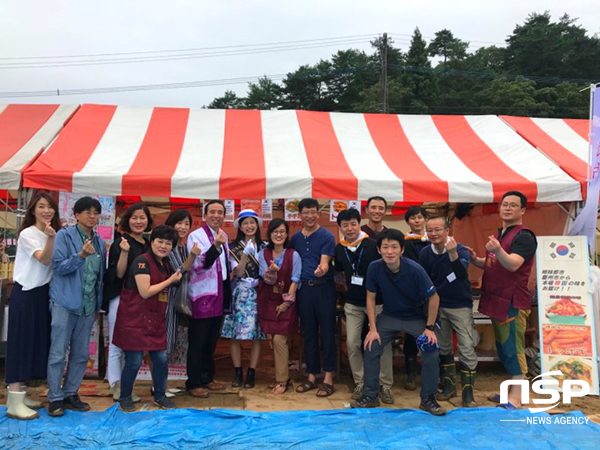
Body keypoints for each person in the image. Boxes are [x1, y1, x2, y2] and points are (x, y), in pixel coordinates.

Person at [352, 229, 446, 416]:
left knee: (431, 350)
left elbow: (434, 298)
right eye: (385, 247)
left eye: (394, 247)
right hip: (389, 316)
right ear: (379, 250)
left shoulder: (415, 269)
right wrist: (372, 328)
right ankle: (371, 395)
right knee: (371, 345)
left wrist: (429, 328)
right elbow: (370, 297)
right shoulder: (374, 267)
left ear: (402, 250)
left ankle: (428, 399)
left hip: (415, 317)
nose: (389, 251)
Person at [468, 191, 537, 410]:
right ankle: (510, 390)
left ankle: (517, 397)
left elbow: (513, 264)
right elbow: (494, 264)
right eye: (504, 204)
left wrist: (497, 250)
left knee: (513, 348)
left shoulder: (524, 236)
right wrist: (475, 259)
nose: (507, 208)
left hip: (512, 301)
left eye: (513, 205)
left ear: (522, 210)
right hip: (497, 299)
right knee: (503, 347)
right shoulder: (501, 232)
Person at [47, 196, 106, 417]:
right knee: (57, 353)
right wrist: (80, 256)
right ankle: (54, 398)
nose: (92, 216)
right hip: (64, 302)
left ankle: (71, 393)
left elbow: (99, 276)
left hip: (88, 305)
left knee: (81, 354)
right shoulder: (64, 236)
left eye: (96, 212)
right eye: (87, 212)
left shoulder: (99, 242)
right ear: (76, 214)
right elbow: (59, 267)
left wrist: (98, 306)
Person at [113, 225, 182, 412]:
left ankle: (160, 395)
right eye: (160, 241)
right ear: (152, 242)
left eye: (168, 243)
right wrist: (170, 280)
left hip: (154, 319)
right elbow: (145, 292)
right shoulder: (141, 262)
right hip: (134, 319)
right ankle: (125, 396)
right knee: (134, 361)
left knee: (160, 359)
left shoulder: (166, 264)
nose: (163, 246)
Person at [5, 193, 61, 420]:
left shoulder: (53, 233)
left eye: (50, 207)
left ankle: (20, 395)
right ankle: (13, 400)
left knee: (34, 342)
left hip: (42, 293)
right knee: (20, 342)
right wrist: (50, 240)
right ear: (32, 210)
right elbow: (44, 259)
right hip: (26, 292)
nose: (46, 211)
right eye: (41, 206)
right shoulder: (28, 234)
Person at [334, 208, 394, 404]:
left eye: (353, 224)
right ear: (340, 228)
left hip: (378, 304)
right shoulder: (340, 248)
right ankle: (360, 381)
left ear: (359, 223)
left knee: (380, 343)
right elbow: (339, 272)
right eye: (345, 225)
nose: (349, 229)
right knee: (352, 342)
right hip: (353, 304)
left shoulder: (372, 245)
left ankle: (385, 385)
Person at [419, 216, 478, 406]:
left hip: (460, 305)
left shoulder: (460, 249)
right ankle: (449, 386)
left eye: (438, 230)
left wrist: (452, 255)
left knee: (466, 346)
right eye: (430, 230)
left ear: (447, 230)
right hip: (438, 306)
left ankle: (468, 394)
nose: (434, 234)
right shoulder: (425, 253)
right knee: (443, 346)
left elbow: (461, 275)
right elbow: (425, 280)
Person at [103, 202, 153, 402]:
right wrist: (124, 252)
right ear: (127, 220)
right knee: (117, 344)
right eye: (134, 217)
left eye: (142, 217)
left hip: (141, 301)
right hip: (121, 298)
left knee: (133, 344)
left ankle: (127, 385)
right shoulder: (120, 242)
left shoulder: (148, 244)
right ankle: (115, 385)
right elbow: (119, 273)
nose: (139, 221)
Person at [185, 200, 232, 398]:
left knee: (212, 340)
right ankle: (193, 382)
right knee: (198, 340)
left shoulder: (224, 235)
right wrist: (215, 246)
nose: (216, 215)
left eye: (220, 212)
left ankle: (207, 377)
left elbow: (226, 265)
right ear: (204, 216)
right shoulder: (195, 236)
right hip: (202, 295)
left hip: (219, 293)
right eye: (212, 212)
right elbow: (199, 264)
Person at [290, 198, 337, 397]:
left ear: (318, 213)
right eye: (306, 212)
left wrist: (322, 269)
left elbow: (326, 261)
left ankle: (328, 377)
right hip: (304, 291)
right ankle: (311, 375)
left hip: (324, 288)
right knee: (308, 332)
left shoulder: (326, 236)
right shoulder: (295, 239)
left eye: (313, 212)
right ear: (299, 215)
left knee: (327, 332)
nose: (310, 216)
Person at [221, 209, 267, 389]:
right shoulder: (233, 248)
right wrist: (245, 255)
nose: (249, 226)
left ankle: (252, 372)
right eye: (245, 223)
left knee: (257, 334)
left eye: (252, 222)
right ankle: (238, 371)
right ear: (240, 226)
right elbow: (238, 272)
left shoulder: (265, 247)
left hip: (259, 292)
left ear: (257, 225)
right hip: (240, 293)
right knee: (235, 334)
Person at [257, 219, 302, 394]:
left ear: (287, 234)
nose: (279, 234)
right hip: (268, 300)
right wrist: (272, 271)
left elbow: (296, 280)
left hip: (287, 303)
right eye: (275, 231)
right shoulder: (263, 253)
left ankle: (282, 380)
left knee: (279, 340)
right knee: (272, 340)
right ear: (269, 234)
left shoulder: (293, 254)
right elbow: (266, 279)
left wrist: (287, 303)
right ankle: (281, 377)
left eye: (282, 231)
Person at [400, 205, 430, 390]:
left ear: (425, 219)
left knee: (433, 331)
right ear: (408, 222)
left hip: (433, 293)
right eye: (413, 218)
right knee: (411, 334)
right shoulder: (406, 243)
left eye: (420, 217)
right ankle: (411, 374)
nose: (417, 221)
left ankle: (432, 372)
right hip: (412, 294)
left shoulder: (434, 239)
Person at [165, 209, 200, 361]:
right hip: (170, 297)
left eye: (187, 224)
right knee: (167, 336)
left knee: (182, 337)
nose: (183, 227)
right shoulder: (168, 246)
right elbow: (179, 273)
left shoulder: (186, 247)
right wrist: (192, 257)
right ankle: (159, 381)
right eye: (179, 223)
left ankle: (177, 374)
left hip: (185, 298)